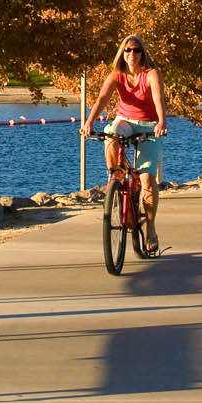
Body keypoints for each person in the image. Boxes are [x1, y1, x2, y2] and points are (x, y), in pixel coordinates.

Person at [83, 34, 167, 255]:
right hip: (126, 121)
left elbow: (159, 98)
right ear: (122, 53)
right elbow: (102, 98)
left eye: (136, 50)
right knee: (111, 133)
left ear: (143, 53)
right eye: (128, 50)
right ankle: (116, 176)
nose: (132, 54)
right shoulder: (116, 75)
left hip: (149, 125)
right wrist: (89, 121)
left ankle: (150, 228)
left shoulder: (151, 74)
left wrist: (161, 121)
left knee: (147, 179)